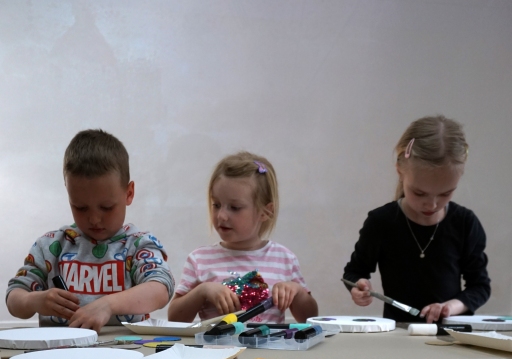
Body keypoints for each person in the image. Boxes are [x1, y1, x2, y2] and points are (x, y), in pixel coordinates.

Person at [6, 129, 174, 331]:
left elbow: (161, 288)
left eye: (106, 207)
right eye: (80, 207)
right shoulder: (51, 246)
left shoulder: (138, 244)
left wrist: (108, 305)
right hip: (61, 349)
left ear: (129, 193)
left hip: (124, 348)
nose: (94, 219)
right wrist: (35, 301)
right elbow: (14, 296)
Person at [343, 115, 491, 323]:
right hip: (398, 334)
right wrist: (358, 286)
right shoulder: (381, 222)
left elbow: (480, 287)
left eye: (445, 193)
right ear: (400, 172)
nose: (432, 204)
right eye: (419, 193)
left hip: (451, 334)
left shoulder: (465, 223)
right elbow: (353, 272)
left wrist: (450, 307)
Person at [168, 151, 317, 324]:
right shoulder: (199, 259)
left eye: (235, 207)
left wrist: (296, 291)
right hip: (216, 343)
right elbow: (174, 318)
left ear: (265, 212)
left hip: (270, 343)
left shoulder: (285, 259)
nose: (221, 215)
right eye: (216, 205)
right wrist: (202, 291)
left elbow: (310, 318)